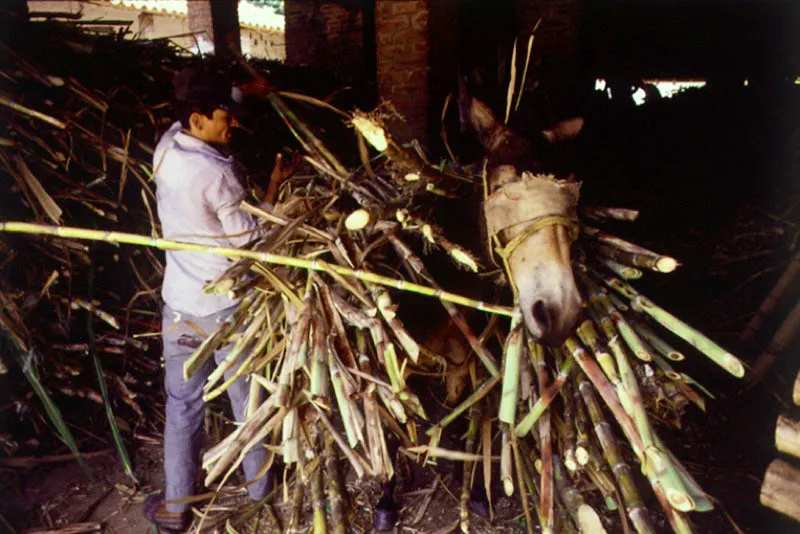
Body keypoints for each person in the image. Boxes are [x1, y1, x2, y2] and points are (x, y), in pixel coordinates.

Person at [143, 67, 291, 532]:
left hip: (180, 305)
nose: (234, 124)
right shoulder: (218, 173)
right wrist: (274, 188)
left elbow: (198, 103)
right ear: (198, 119)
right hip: (227, 308)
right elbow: (250, 244)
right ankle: (260, 492)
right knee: (247, 398)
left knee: (182, 404)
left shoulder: (166, 149)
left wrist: (243, 92)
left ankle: (176, 506)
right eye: (224, 117)